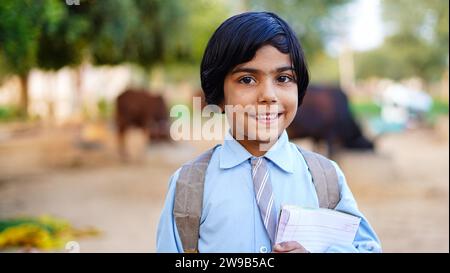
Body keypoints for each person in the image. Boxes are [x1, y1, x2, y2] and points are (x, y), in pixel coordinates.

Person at [157, 11, 381, 253]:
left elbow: (367, 248)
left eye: (283, 78)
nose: (269, 96)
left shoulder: (326, 178)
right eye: (246, 80)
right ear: (219, 96)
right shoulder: (189, 185)